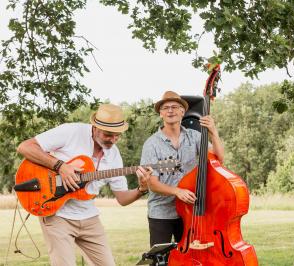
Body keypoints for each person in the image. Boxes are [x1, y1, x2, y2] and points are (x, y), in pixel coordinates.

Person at [16, 103, 151, 266]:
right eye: (109, 135)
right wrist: (60, 166)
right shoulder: (71, 132)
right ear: (95, 127)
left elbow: (122, 198)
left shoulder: (114, 155)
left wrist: (142, 189)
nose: (113, 140)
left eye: (117, 136)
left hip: (89, 217)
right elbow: (25, 147)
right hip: (57, 213)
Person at [140, 90, 224, 247]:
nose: (170, 110)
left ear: (183, 111)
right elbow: (152, 183)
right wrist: (177, 191)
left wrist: (213, 132)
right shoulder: (151, 144)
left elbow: (219, 159)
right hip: (161, 212)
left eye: (175, 106)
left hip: (189, 211)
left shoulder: (195, 136)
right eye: (165, 108)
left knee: (190, 257)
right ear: (160, 114)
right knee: (161, 260)